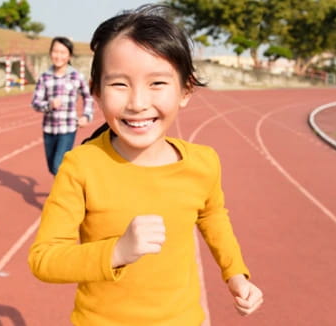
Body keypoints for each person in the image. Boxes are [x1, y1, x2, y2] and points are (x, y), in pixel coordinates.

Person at [28, 4, 263, 326]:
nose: (138, 103)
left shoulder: (203, 162)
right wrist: (117, 252)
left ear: (186, 90)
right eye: (119, 84)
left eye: (157, 83)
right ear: (96, 91)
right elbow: (45, 259)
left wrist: (235, 273)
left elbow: (212, 214)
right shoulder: (81, 166)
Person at [31, 36, 94, 175]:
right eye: (55, 51)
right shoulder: (45, 77)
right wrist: (49, 104)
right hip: (49, 128)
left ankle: (63, 194)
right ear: (50, 53)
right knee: (52, 167)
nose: (58, 56)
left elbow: (88, 96)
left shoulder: (76, 76)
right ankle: (67, 188)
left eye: (63, 52)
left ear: (69, 55)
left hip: (68, 128)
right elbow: (35, 103)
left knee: (57, 165)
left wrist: (86, 116)